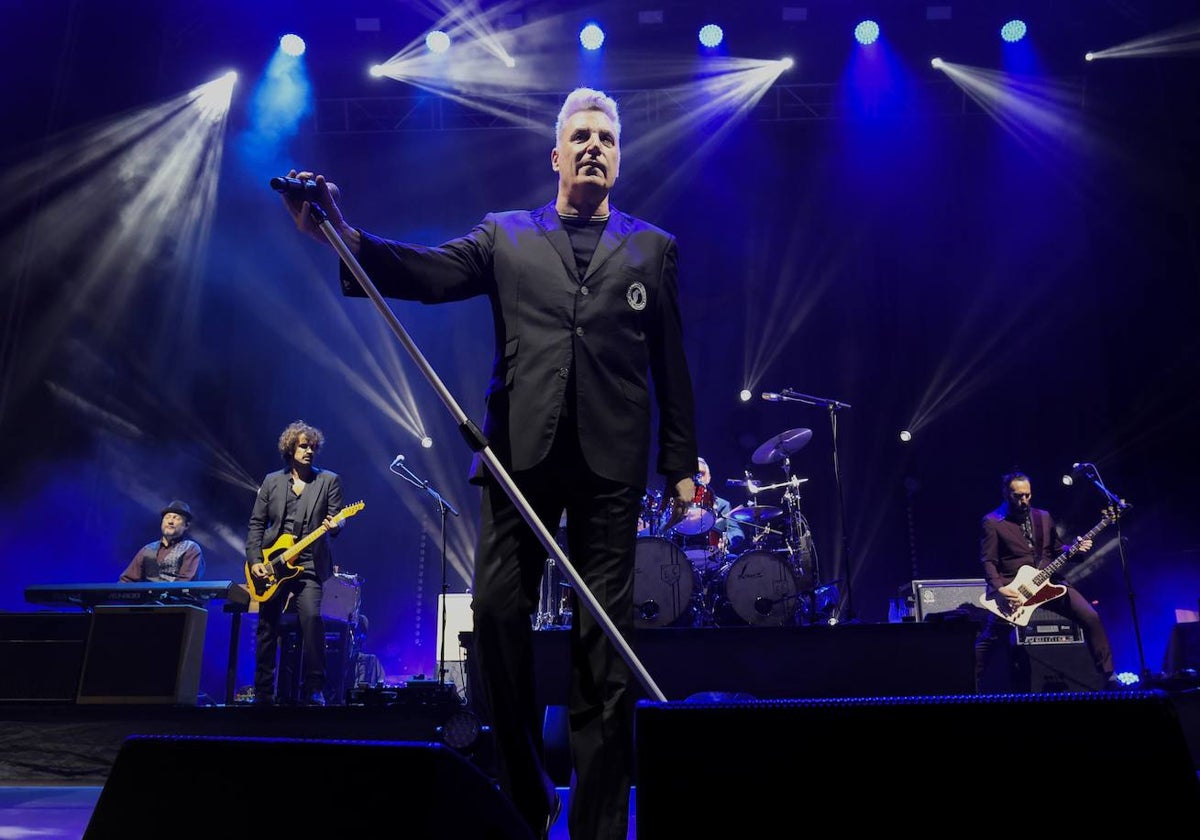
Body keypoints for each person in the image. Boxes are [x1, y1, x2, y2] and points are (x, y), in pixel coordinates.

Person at [280, 87, 698, 840]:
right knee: (497, 615)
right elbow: (427, 273)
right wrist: (342, 234)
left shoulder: (653, 249)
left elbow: (673, 365)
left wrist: (680, 467)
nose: (594, 146)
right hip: (518, 461)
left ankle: (598, 823)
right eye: (581, 136)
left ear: (620, 155)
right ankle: (525, 796)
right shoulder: (504, 236)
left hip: (611, 464)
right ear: (556, 154)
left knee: (603, 646)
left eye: (607, 137)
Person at [973, 470, 1117, 690]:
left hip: (1049, 582)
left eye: (1027, 495)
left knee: (1091, 617)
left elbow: (1057, 550)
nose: (1024, 501)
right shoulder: (993, 522)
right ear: (1006, 493)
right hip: (1015, 592)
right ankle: (968, 682)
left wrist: (1077, 550)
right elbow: (988, 561)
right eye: (1018, 496)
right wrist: (1000, 589)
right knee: (989, 641)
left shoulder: (1043, 516)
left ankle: (1109, 677)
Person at [245, 420, 346, 707]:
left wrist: (337, 523)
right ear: (290, 448)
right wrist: (255, 562)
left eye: (313, 447)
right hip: (272, 565)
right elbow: (256, 524)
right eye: (303, 446)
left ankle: (314, 689)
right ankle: (264, 692)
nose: (309, 451)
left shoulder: (329, 481)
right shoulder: (271, 482)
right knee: (267, 627)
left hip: (310, 563)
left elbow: (338, 520)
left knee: (312, 621)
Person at [119, 499, 205, 582]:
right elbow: (127, 579)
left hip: (177, 596)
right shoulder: (148, 549)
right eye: (167, 517)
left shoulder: (191, 548)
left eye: (176, 518)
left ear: (186, 526)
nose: (170, 521)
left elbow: (186, 582)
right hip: (149, 596)